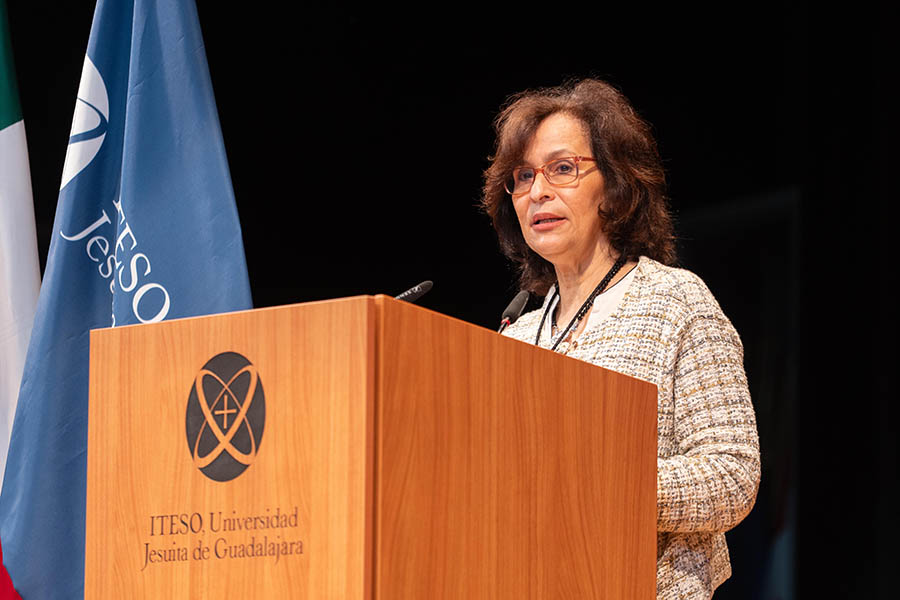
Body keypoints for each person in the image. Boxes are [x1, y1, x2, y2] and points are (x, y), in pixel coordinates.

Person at [484, 78, 760, 599]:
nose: (538, 191)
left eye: (562, 169)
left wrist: (603, 486)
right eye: (522, 176)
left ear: (614, 185)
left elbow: (733, 475)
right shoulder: (515, 335)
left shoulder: (676, 302)